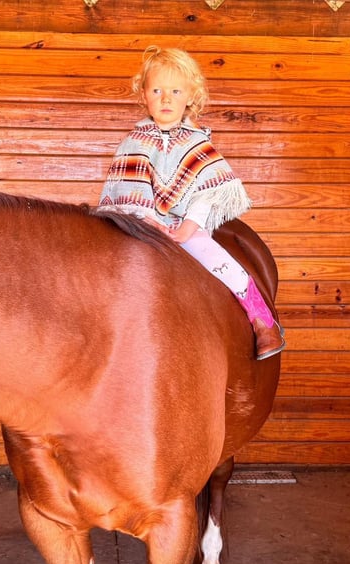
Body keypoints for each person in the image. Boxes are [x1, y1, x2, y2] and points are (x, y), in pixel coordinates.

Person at [98, 45, 285, 360]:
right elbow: (128, 191)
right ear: (143, 95)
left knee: (218, 259)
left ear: (189, 97)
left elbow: (208, 192)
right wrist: (148, 222)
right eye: (157, 90)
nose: (166, 98)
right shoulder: (134, 142)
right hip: (142, 225)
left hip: (185, 227)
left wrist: (187, 227)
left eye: (175, 91)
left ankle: (261, 320)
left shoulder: (197, 143)